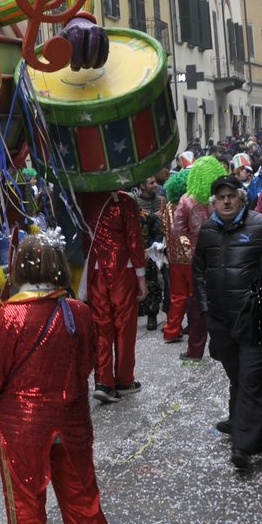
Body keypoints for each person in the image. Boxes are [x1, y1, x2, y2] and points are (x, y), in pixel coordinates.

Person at [0, 234, 120, 524]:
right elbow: (87, 361)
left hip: (22, 431)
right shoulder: (80, 312)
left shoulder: (9, 317)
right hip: (72, 424)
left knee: (27, 517)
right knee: (85, 507)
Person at [194, 175, 262, 472]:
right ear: (214, 202)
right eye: (221, 197)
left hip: (253, 317)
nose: (226, 201)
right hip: (220, 321)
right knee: (239, 377)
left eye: (231, 196)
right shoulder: (206, 230)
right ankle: (258, 427)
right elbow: (199, 273)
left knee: (250, 379)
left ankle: (243, 445)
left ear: (241, 198)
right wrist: (206, 312)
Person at [79, 190, 147, 402]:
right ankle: (124, 380)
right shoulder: (125, 200)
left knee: (101, 326)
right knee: (125, 326)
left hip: (95, 270)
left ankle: (103, 382)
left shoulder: (84, 199)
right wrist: (141, 276)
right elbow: (134, 239)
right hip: (122, 269)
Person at [163, 170, 208, 359]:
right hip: (191, 258)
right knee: (193, 295)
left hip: (174, 258)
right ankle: (190, 328)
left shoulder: (167, 207)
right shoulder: (193, 204)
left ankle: (171, 330)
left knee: (178, 295)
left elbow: (167, 230)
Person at [132, 175, 167, 332]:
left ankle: (152, 314)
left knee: (153, 282)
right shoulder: (134, 206)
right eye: (151, 182)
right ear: (142, 185)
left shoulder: (162, 201)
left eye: (155, 182)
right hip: (136, 250)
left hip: (156, 249)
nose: (155, 185)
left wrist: (154, 247)